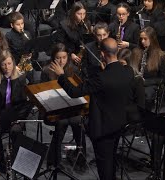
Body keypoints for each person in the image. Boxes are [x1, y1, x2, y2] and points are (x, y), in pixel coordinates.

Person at [50, 38, 134, 180]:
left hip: (103, 128)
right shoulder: (128, 71)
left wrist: (61, 76)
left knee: (104, 167)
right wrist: (106, 69)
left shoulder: (100, 78)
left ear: (102, 54)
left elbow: (74, 92)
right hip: (119, 123)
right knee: (112, 160)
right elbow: (112, 82)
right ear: (117, 51)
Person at [40, 43, 86, 168]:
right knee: (62, 122)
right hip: (52, 108)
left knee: (77, 120)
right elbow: (42, 93)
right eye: (58, 58)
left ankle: (81, 156)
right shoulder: (46, 70)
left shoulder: (74, 70)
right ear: (53, 58)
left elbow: (78, 91)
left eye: (64, 57)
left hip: (71, 106)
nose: (61, 61)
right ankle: (54, 160)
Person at [0, 50, 32, 172]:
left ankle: (16, 162)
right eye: (3, 64)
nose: (7, 67)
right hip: (0, 116)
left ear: (13, 63)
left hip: (17, 115)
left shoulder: (21, 77)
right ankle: (1, 164)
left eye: (9, 63)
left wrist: (17, 118)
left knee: (15, 131)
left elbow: (25, 103)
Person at [129, 26, 165, 111]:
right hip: (136, 83)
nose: (142, 41)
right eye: (141, 39)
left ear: (152, 39)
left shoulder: (160, 55)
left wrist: (146, 82)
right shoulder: (135, 52)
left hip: (150, 86)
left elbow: (164, 78)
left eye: (145, 39)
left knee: (144, 94)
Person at [52, 1, 92, 69]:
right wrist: (71, 54)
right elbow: (60, 44)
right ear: (73, 13)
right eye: (79, 14)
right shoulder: (64, 25)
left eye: (84, 14)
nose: (82, 17)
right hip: (67, 54)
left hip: (81, 53)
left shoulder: (87, 23)